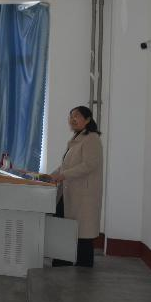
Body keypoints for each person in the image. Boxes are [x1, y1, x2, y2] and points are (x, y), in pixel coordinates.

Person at [45, 106, 104, 268]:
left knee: (83, 233)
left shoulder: (92, 138)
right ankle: (61, 260)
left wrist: (63, 175)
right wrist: (50, 176)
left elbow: (89, 165)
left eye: (76, 116)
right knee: (64, 226)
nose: (72, 119)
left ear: (87, 119)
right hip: (70, 192)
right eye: (71, 116)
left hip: (84, 195)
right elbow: (65, 166)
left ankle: (84, 267)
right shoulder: (77, 138)